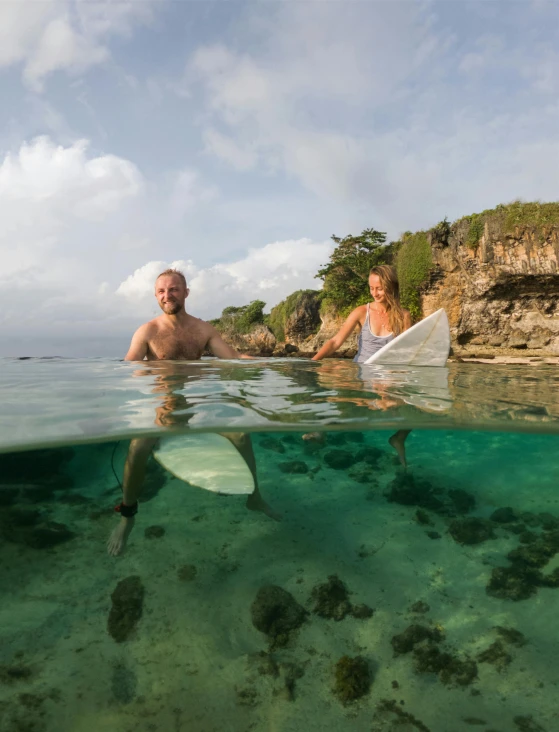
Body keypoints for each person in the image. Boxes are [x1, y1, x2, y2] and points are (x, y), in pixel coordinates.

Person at [107, 268, 279, 557]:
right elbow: (129, 366)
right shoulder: (148, 331)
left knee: (240, 433)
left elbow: (233, 359)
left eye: (173, 289)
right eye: (161, 291)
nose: (167, 295)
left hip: (198, 407)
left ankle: (255, 497)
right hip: (162, 408)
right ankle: (128, 515)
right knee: (137, 447)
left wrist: (264, 365)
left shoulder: (204, 329)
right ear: (155, 295)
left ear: (186, 292)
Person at [312, 264, 413, 467]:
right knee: (344, 398)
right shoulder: (361, 312)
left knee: (417, 403)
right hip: (360, 373)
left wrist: (394, 381)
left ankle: (398, 438)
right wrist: (312, 363)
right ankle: (320, 429)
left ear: (391, 287)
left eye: (379, 288)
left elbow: (406, 354)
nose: (374, 293)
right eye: (371, 288)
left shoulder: (404, 316)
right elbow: (335, 342)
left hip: (389, 376)